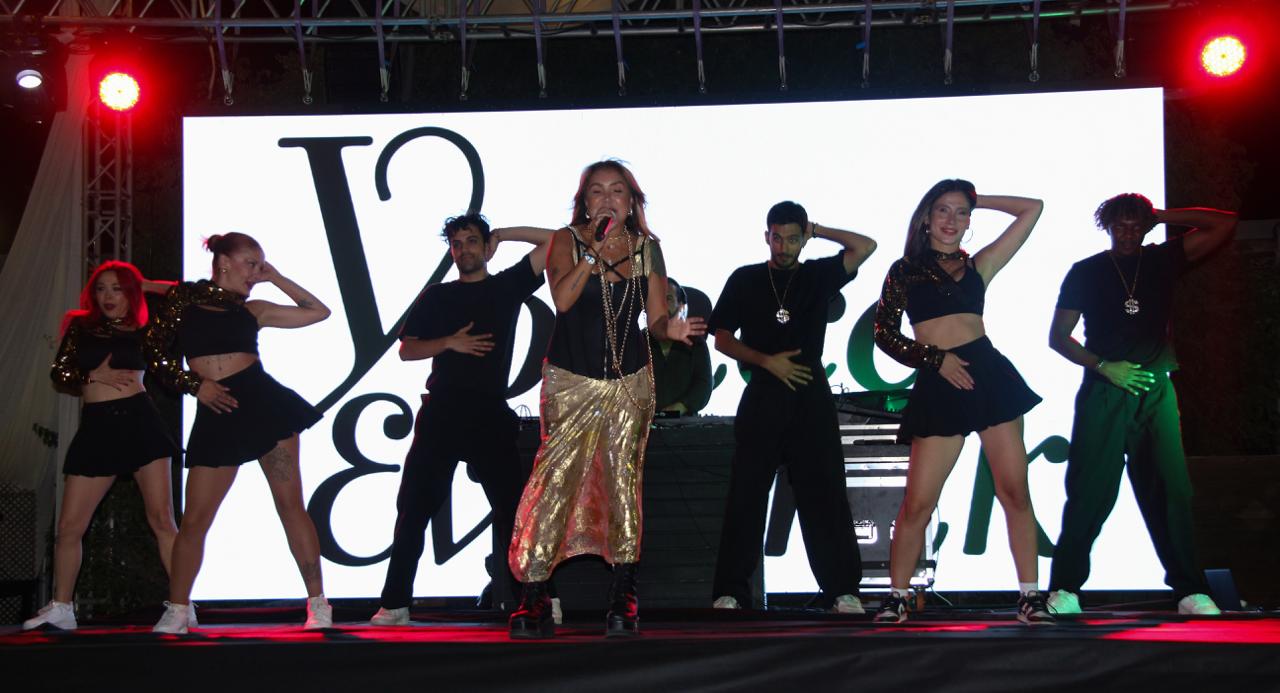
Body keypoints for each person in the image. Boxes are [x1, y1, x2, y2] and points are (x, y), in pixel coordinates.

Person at [506, 160, 705, 639]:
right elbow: (563, 300)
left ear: (631, 201)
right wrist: (593, 250)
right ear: (585, 201)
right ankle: (534, 593)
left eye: (618, 191)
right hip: (571, 380)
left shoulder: (648, 249)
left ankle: (623, 593)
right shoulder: (565, 240)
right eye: (597, 191)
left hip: (629, 382)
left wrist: (671, 331)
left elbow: (656, 319)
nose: (608, 199)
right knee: (554, 482)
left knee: (622, 482)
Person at [1046, 195, 1237, 616]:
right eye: (1121, 224)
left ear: (1147, 227)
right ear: (1108, 226)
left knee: (1173, 490)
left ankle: (1190, 591)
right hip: (1105, 390)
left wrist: (1160, 216)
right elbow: (1058, 337)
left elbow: (1224, 223)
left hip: (1155, 390)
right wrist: (1103, 366)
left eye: (1136, 225)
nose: (1128, 233)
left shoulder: (1162, 260)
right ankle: (1065, 589)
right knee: (1089, 491)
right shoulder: (1087, 271)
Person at [873, 180, 1050, 624]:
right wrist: (935, 359)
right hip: (939, 380)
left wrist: (977, 199)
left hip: (988, 376)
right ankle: (897, 597)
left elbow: (1033, 208)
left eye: (961, 212)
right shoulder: (904, 270)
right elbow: (884, 334)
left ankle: (1030, 597)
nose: (952, 220)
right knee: (918, 502)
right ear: (926, 218)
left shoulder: (979, 265)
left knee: (1015, 491)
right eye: (943, 210)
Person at [145, 232, 333, 634]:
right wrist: (195, 385)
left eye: (259, 265)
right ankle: (178, 608)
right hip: (216, 408)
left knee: (290, 504)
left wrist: (275, 276)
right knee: (195, 520)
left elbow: (318, 311)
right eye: (251, 263)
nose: (255, 272)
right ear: (224, 262)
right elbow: (156, 354)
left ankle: (318, 603)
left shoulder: (253, 310)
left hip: (263, 404)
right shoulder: (185, 302)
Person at [368, 214, 551, 626]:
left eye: (471, 240)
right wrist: (450, 342)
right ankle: (395, 603)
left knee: (514, 511)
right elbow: (407, 350)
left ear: (485, 247)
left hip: (489, 413)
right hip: (443, 411)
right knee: (414, 507)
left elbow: (558, 241)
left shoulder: (506, 286)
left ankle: (539, 599)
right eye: (456, 243)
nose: (463, 249)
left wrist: (505, 234)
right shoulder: (438, 296)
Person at [708, 201, 877, 614]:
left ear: (804, 238)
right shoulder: (746, 278)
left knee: (825, 493)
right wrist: (767, 361)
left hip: (810, 392)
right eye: (777, 238)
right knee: (747, 494)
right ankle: (731, 591)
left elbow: (865, 246)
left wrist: (818, 229)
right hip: (764, 391)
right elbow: (722, 338)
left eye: (793, 238)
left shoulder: (817, 275)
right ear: (766, 236)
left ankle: (842, 590)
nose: (784, 247)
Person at [24, 262, 181, 631]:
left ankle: (181, 604)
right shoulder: (81, 326)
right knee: (69, 525)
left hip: (140, 423)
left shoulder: (146, 329)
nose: (108, 296)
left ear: (131, 293)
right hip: (98, 427)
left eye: (117, 288)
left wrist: (143, 283)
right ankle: (62, 607)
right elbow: (61, 371)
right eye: (101, 288)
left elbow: (183, 295)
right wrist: (93, 374)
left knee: (162, 519)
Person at [649, 277, 712, 416]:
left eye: (668, 298)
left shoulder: (696, 343)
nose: (661, 304)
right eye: (656, 299)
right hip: (642, 424)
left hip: (684, 422)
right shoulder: (640, 340)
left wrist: (682, 406)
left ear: (681, 305)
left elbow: (704, 384)